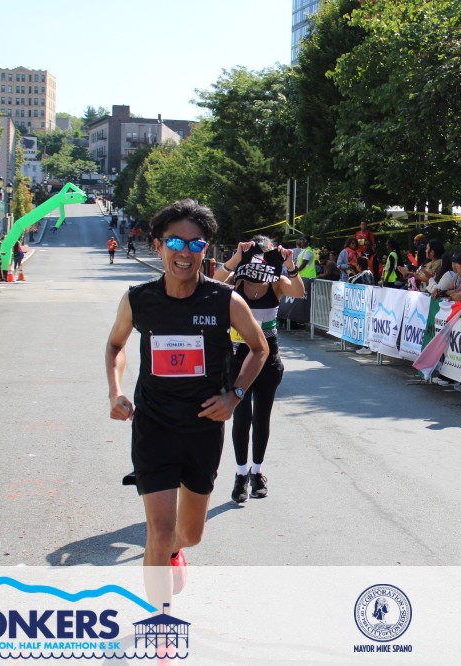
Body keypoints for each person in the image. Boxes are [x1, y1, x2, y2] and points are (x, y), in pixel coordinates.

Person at [105, 199, 269, 605]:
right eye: (175, 242)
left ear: (205, 250)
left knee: (189, 535)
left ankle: (176, 551)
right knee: (158, 534)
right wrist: (115, 390)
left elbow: (259, 347)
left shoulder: (224, 300)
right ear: (158, 245)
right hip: (154, 426)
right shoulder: (139, 299)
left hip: (202, 429)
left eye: (195, 244)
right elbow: (115, 345)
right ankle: (159, 621)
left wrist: (235, 396)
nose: (184, 252)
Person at [213, 235, 304, 502]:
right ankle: (241, 475)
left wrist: (290, 264)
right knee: (241, 418)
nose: (260, 262)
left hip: (268, 358)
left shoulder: (276, 282)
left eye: (266, 256)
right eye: (256, 256)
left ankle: (257, 472)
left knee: (262, 418)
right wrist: (236, 257)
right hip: (238, 359)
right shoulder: (237, 281)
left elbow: (298, 291)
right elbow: (214, 281)